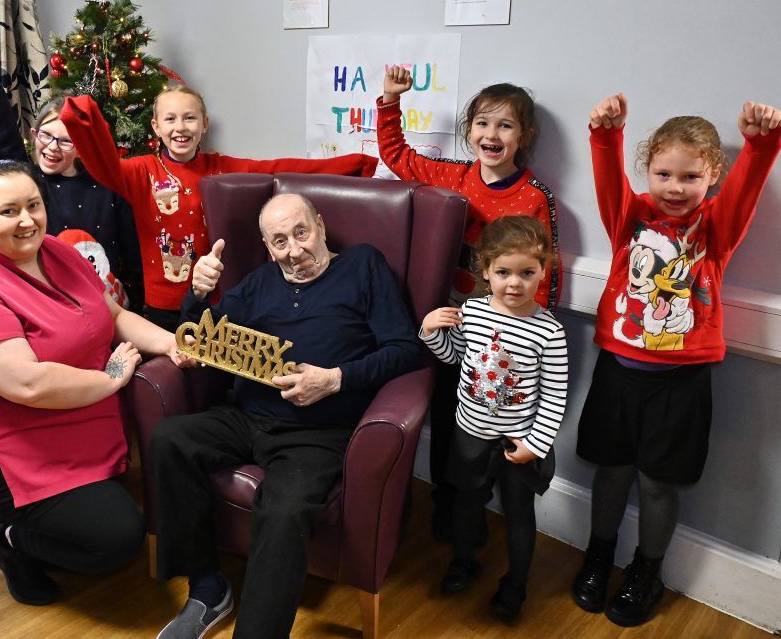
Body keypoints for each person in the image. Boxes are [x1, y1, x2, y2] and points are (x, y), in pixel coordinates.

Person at [151, 193, 425, 639]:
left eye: (301, 233)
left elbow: (406, 350)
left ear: (319, 224)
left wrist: (335, 379)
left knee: (284, 508)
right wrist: (197, 293)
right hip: (248, 414)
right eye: (280, 242)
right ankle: (207, 589)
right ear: (267, 247)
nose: (295, 250)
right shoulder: (259, 283)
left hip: (318, 433)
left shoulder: (363, 267)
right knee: (170, 439)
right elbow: (204, 340)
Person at [0, 160, 191, 606]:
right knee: (116, 540)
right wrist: (110, 378)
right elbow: (27, 384)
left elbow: (117, 316)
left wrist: (172, 344)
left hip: (85, 426)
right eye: (8, 211)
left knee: (124, 512)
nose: (26, 219)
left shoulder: (59, 251)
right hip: (19, 448)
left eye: (33, 205)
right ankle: (6, 538)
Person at [571, 95, 781, 627]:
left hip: (681, 383)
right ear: (649, 171)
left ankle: (647, 571)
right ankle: (598, 557)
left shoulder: (717, 226)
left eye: (690, 176)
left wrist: (761, 143)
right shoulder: (632, 217)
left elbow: (747, 189)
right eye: (663, 173)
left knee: (659, 482)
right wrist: (606, 136)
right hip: (619, 373)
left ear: (711, 175)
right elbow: (609, 187)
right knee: (613, 472)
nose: (674, 187)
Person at [378, 68, 563, 542]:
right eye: (482, 123)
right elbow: (398, 157)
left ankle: (484, 509)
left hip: (505, 338)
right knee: (449, 417)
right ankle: (452, 504)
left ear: (524, 136)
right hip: (454, 325)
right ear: (470, 131)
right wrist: (390, 100)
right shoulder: (455, 177)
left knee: (496, 422)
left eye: (505, 125)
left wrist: (532, 340)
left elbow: (546, 279)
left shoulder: (534, 198)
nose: (491, 134)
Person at [59, 88, 379, 332]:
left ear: (204, 124)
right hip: (162, 309)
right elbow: (102, 163)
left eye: (189, 117)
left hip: (214, 304)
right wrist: (81, 115)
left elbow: (279, 170)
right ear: (156, 126)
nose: (180, 127)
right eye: (170, 119)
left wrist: (356, 165)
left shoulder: (222, 168)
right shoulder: (141, 171)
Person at [419, 215, 568, 623]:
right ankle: (463, 562)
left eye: (526, 272)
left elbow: (555, 396)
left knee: (520, 517)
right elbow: (455, 359)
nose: (514, 283)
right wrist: (431, 332)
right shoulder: (472, 310)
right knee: (467, 507)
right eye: (503, 272)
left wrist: (534, 445)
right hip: (470, 435)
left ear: (543, 272)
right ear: (485, 270)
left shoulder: (549, 332)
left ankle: (516, 585)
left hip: (517, 446)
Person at [0, 31, 144, 311]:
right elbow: (2, 131)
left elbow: (132, 254)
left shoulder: (106, 187)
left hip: (111, 305)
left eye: (66, 141)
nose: (52, 148)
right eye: (45, 135)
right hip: (53, 305)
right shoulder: (30, 183)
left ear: (83, 147)